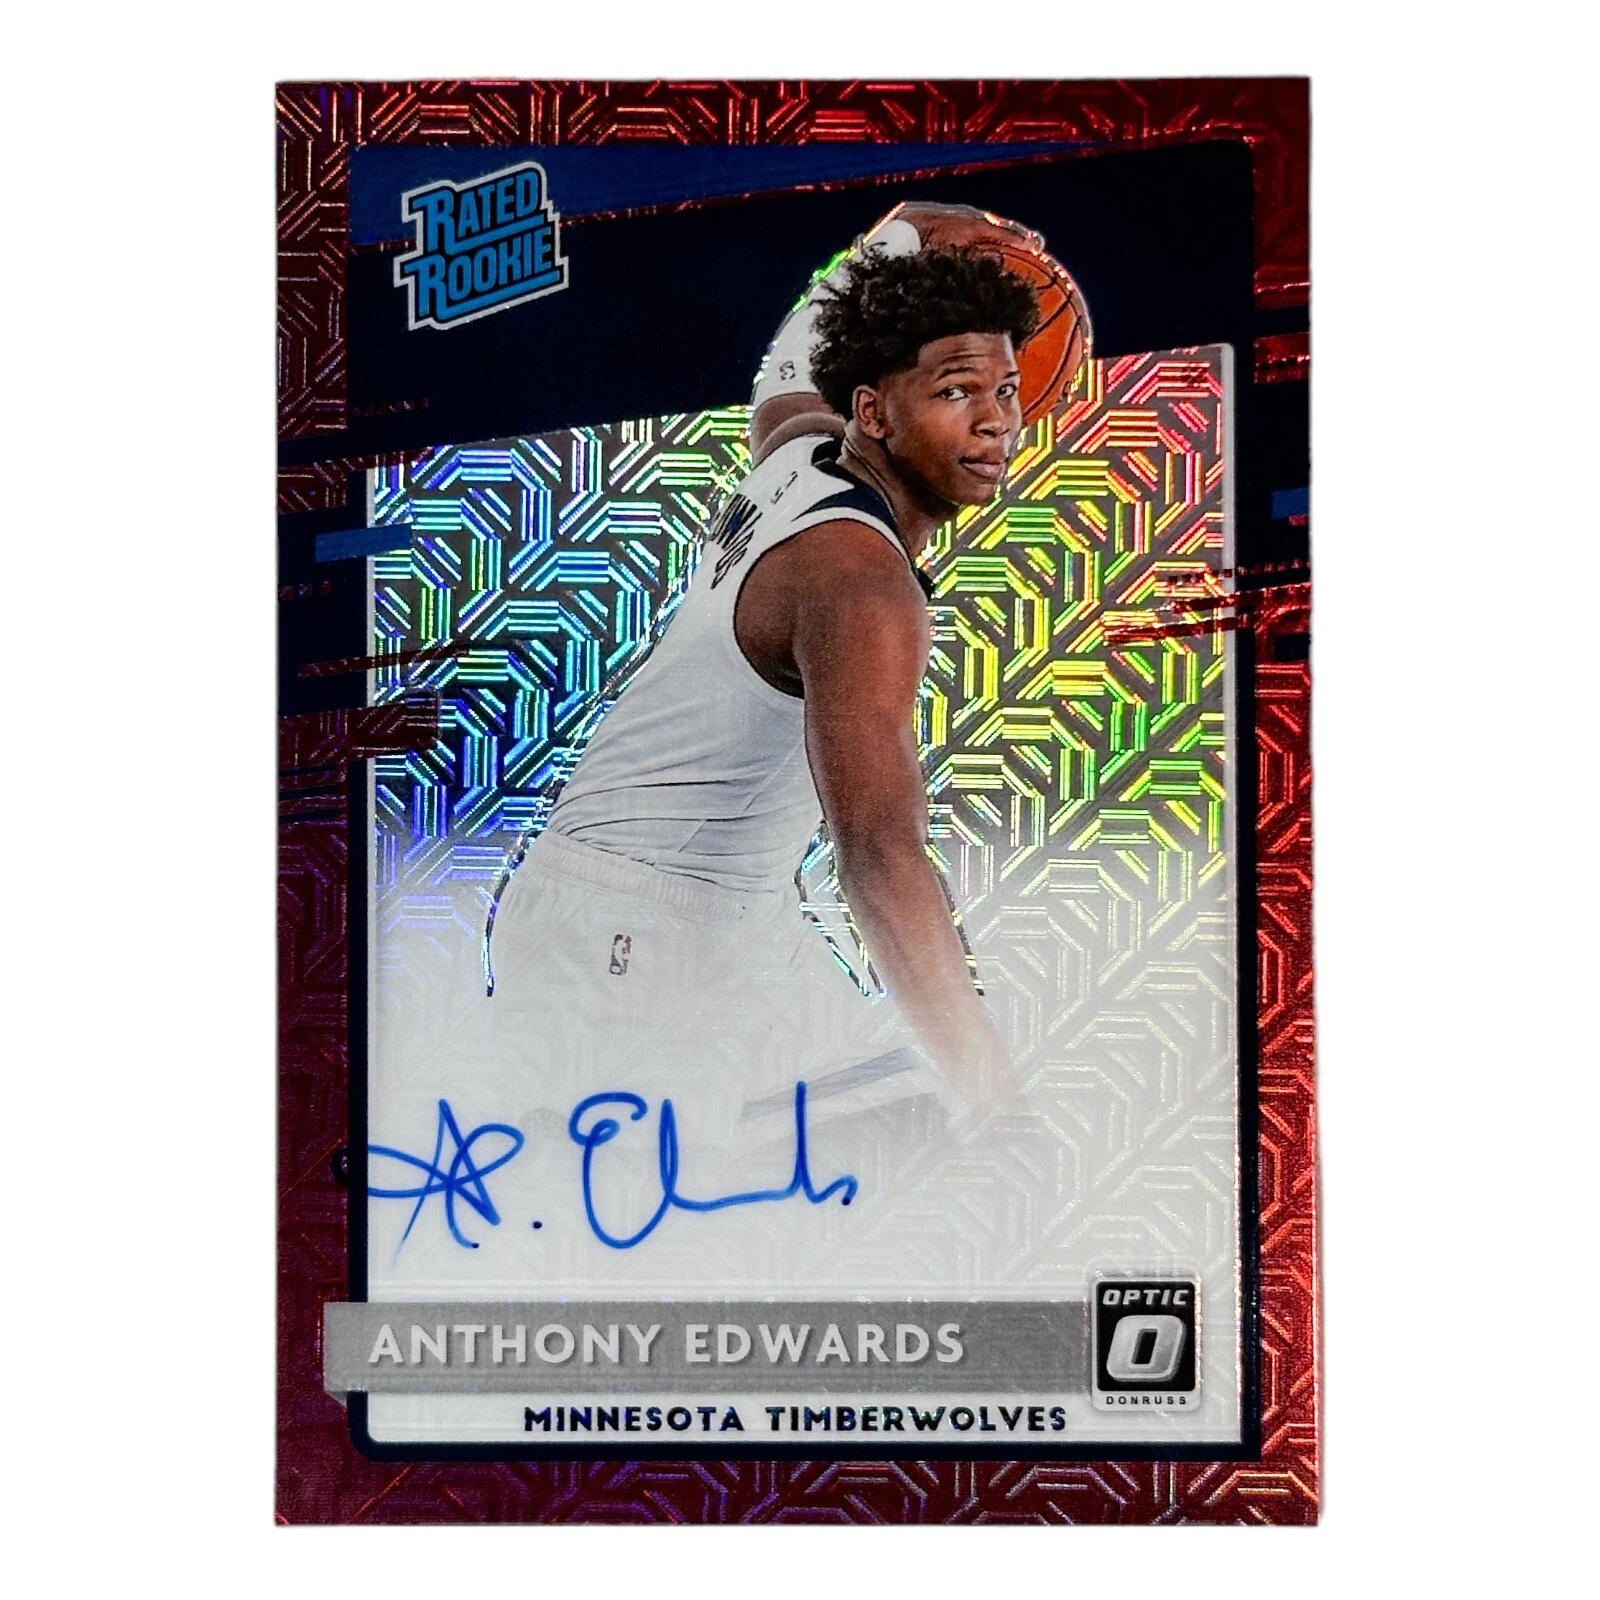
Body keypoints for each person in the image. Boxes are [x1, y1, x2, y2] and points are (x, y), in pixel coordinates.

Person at [487, 204, 1043, 1140]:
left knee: (899, 1112)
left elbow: (786, 375)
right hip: (631, 932)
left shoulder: (805, 450)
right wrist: (999, 1102)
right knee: (643, 1206)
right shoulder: (857, 582)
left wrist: (894, 235)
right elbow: (877, 855)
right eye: (955, 391)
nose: (995, 423)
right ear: (875, 412)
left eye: (1006, 389)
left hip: (708, 913)